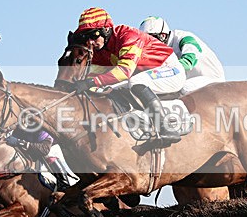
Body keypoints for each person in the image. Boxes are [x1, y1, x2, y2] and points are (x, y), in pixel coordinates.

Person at [68, 7, 186, 145]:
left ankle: (166, 127)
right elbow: (95, 76)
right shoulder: (100, 51)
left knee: (136, 82)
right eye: (86, 37)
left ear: (106, 30)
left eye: (93, 35)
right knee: (113, 90)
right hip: (146, 74)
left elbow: (124, 71)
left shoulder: (128, 36)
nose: (91, 42)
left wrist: (90, 83)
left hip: (170, 69)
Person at [138, 16, 225, 94]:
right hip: (190, 80)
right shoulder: (160, 50)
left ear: (163, 36)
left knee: (183, 88)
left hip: (210, 79)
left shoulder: (184, 38)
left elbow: (188, 63)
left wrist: (163, 71)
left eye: (151, 40)